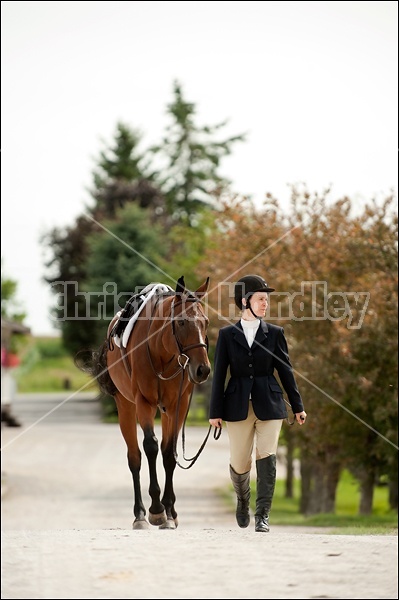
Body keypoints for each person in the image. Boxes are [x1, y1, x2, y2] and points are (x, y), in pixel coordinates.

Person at [209, 274, 307, 533]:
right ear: (245, 301)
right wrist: (215, 412)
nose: (266, 303)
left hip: (270, 405)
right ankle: (243, 500)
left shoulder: (275, 334)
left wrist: (297, 406)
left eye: (266, 299)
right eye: (261, 299)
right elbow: (219, 375)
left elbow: (286, 371)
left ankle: (262, 515)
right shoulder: (227, 335)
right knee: (240, 463)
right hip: (237, 406)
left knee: (267, 457)